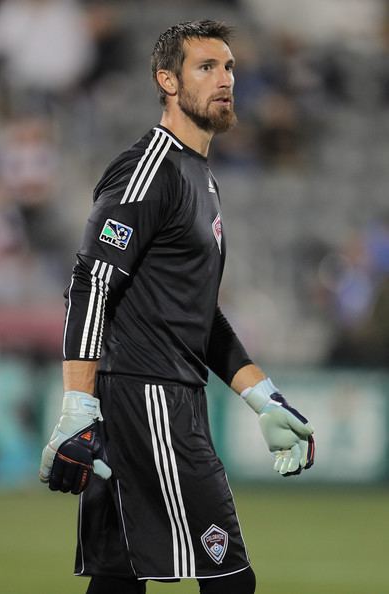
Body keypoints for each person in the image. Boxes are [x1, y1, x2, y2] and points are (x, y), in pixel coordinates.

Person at [39, 20, 315, 594]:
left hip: (156, 396)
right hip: (149, 399)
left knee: (117, 582)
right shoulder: (151, 169)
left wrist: (263, 397)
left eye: (230, 67)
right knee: (230, 580)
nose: (225, 79)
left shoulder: (199, 175)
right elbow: (92, 280)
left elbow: (197, 315)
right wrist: (75, 406)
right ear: (167, 80)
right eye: (206, 67)